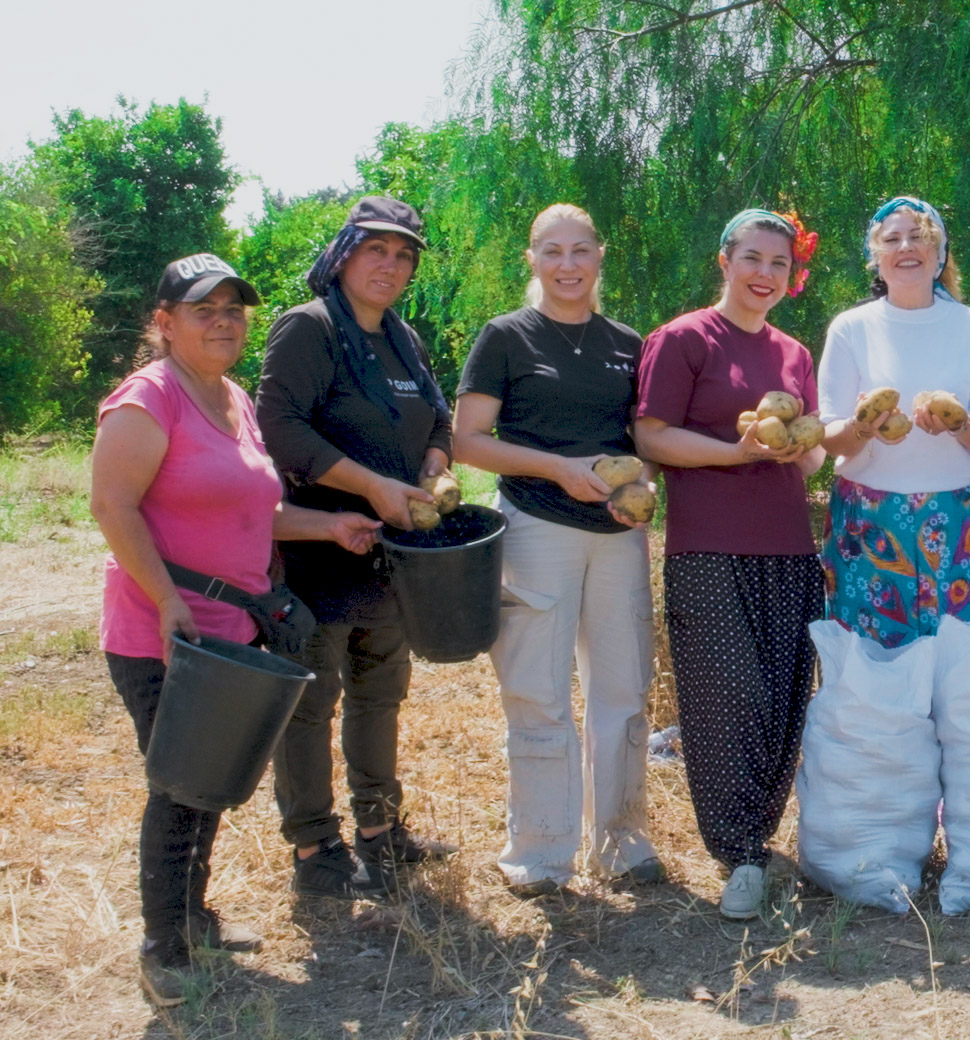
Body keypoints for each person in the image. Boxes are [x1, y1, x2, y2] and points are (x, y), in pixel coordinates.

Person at [93, 254, 381, 1005]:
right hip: (166, 633)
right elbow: (112, 507)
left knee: (210, 783)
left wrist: (332, 524)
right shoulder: (148, 400)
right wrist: (165, 602)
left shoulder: (231, 399)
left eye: (233, 309)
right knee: (180, 786)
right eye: (202, 310)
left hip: (231, 628)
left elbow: (259, 510)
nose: (223, 321)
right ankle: (164, 946)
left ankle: (196, 919)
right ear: (164, 323)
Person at [451, 204, 659, 897]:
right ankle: (540, 851)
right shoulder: (506, 337)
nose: (567, 266)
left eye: (580, 251)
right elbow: (469, 439)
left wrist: (643, 483)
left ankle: (621, 841)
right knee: (537, 690)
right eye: (552, 252)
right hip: (537, 526)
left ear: (601, 255)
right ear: (532, 260)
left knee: (624, 689)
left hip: (618, 539)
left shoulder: (627, 342)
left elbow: (641, 437)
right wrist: (556, 469)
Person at [255, 197, 458, 901]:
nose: (391, 265)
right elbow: (278, 428)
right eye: (377, 249)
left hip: (390, 556)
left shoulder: (403, 338)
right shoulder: (309, 331)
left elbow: (439, 415)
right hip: (317, 551)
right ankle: (315, 847)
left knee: (380, 697)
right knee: (311, 702)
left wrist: (434, 464)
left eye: (404, 255)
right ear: (344, 253)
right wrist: (370, 485)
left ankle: (381, 831)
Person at [632, 208, 827, 919]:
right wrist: (735, 452)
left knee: (781, 704)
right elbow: (652, 436)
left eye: (779, 264)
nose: (764, 275)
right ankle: (736, 852)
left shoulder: (794, 353)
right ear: (724, 260)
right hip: (708, 547)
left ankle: (759, 839)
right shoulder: (683, 339)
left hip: (788, 548)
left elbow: (809, 455)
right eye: (752, 258)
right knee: (727, 701)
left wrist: (811, 445)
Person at [818, 196, 970, 646]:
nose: (907, 246)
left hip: (955, 517)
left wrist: (957, 423)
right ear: (876, 258)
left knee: (958, 665)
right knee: (870, 671)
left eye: (919, 236)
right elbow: (831, 438)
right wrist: (865, 426)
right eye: (892, 239)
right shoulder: (851, 327)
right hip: (868, 521)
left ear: (939, 254)